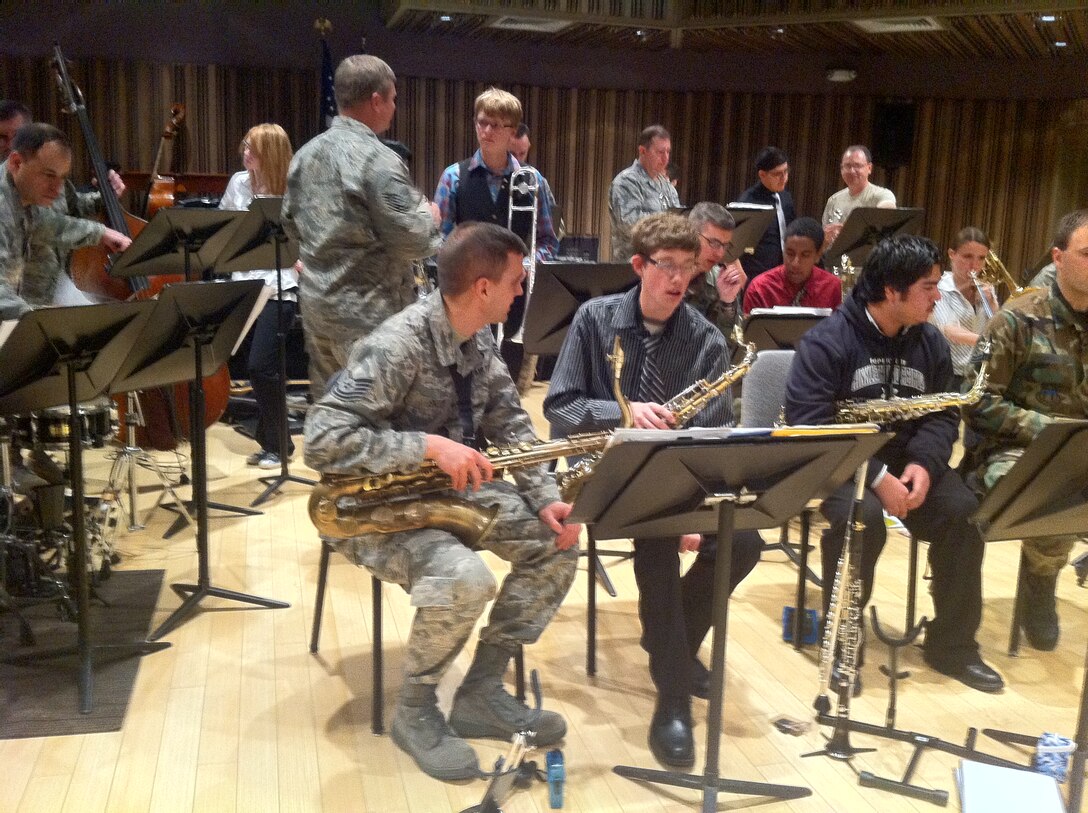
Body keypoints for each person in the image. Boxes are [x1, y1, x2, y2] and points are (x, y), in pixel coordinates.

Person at [304, 222, 580, 782]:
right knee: (465, 579)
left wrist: (546, 497)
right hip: (372, 512)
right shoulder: (397, 344)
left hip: (451, 495)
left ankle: (480, 689)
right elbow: (321, 439)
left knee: (557, 546)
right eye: (515, 280)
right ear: (482, 287)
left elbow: (512, 424)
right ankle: (416, 707)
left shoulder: (478, 340)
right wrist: (426, 447)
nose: (521, 291)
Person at [544, 212, 762, 768]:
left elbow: (712, 433)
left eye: (689, 269)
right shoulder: (594, 320)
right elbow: (561, 406)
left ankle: (671, 643)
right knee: (659, 544)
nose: (678, 282)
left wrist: (693, 501)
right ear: (639, 265)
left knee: (744, 543)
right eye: (666, 267)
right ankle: (672, 698)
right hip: (606, 474)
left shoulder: (706, 340)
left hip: (680, 478)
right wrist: (622, 412)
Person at [784, 234, 1003, 693]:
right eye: (928, 287)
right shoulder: (826, 343)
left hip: (910, 463)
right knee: (861, 519)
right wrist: (878, 477)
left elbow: (943, 412)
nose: (938, 297)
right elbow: (812, 430)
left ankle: (953, 646)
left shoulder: (930, 343)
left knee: (965, 513)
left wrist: (924, 463)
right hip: (840, 464)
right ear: (891, 291)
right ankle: (843, 640)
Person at [963, 210, 1088, 651]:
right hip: (1012, 450)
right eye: (1087, 253)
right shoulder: (1017, 318)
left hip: (1080, 451)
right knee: (1058, 492)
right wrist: (1049, 432)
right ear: (1059, 257)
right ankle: (1040, 583)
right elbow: (975, 401)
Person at [282, 54, 441, 398]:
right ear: (376, 100)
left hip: (319, 312)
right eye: (393, 99)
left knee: (332, 418)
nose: (394, 107)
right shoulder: (379, 158)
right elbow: (414, 240)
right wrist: (431, 217)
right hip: (370, 320)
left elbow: (290, 227)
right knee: (375, 425)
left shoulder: (303, 156)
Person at [435, 88, 559, 382]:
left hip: (513, 305)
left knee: (508, 389)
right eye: (482, 122)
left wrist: (529, 265)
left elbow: (547, 241)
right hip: (467, 303)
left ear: (512, 131)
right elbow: (440, 241)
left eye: (496, 124)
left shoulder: (532, 181)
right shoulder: (453, 176)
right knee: (463, 389)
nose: (486, 130)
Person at [219, 123, 298, 470]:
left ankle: (280, 445)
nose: (245, 154)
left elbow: (306, 237)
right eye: (245, 147)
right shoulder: (238, 182)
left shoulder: (294, 189)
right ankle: (273, 443)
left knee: (261, 367)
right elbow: (224, 226)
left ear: (271, 154)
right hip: (245, 285)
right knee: (260, 369)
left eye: (253, 148)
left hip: (279, 286)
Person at [1, 101, 126, 307]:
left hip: (52, 284)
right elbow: (47, 224)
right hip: (24, 299)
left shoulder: (38, 178)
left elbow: (61, 214)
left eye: (16, 137)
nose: (57, 188)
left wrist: (107, 195)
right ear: (16, 163)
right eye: (2, 138)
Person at [929, 227, 999, 389]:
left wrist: (993, 305)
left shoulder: (986, 289)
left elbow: (998, 329)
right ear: (952, 254)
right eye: (967, 256)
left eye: (981, 258)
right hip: (949, 375)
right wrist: (991, 345)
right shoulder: (938, 287)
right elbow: (951, 331)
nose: (974, 265)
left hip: (980, 374)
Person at [608, 124, 680, 262]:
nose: (665, 158)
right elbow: (631, 225)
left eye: (668, 152)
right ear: (642, 151)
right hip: (634, 266)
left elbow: (679, 220)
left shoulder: (667, 185)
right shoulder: (626, 182)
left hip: (664, 263)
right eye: (660, 152)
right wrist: (669, 223)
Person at [742, 217, 842, 314]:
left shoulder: (834, 288)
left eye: (805, 255)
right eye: (790, 253)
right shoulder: (760, 289)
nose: (795, 263)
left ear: (818, 255)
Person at [685, 202, 745, 340]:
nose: (720, 253)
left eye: (725, 246)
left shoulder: (719, 279)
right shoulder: (661, 273)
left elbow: (732, 342)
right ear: (691, 234)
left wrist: (727, 301)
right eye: (714, 243)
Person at [820, 145, 896, 252]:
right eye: (847, 166)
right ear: (841, 169)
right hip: (837, 263)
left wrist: (850, 227)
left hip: (868, 264)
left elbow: (887, 209)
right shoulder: (833, 200)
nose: (852, 171)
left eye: (857, 166)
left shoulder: (882, 194)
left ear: (869, 168)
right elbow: (825, 241)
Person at [736, 146, 794, 279]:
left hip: (784, 272)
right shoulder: (747, 202)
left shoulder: (785, 197)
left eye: (786, 171)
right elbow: (737, 247)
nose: (784, 178)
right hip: (758, 275)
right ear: (762, 175)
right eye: (777, 174)